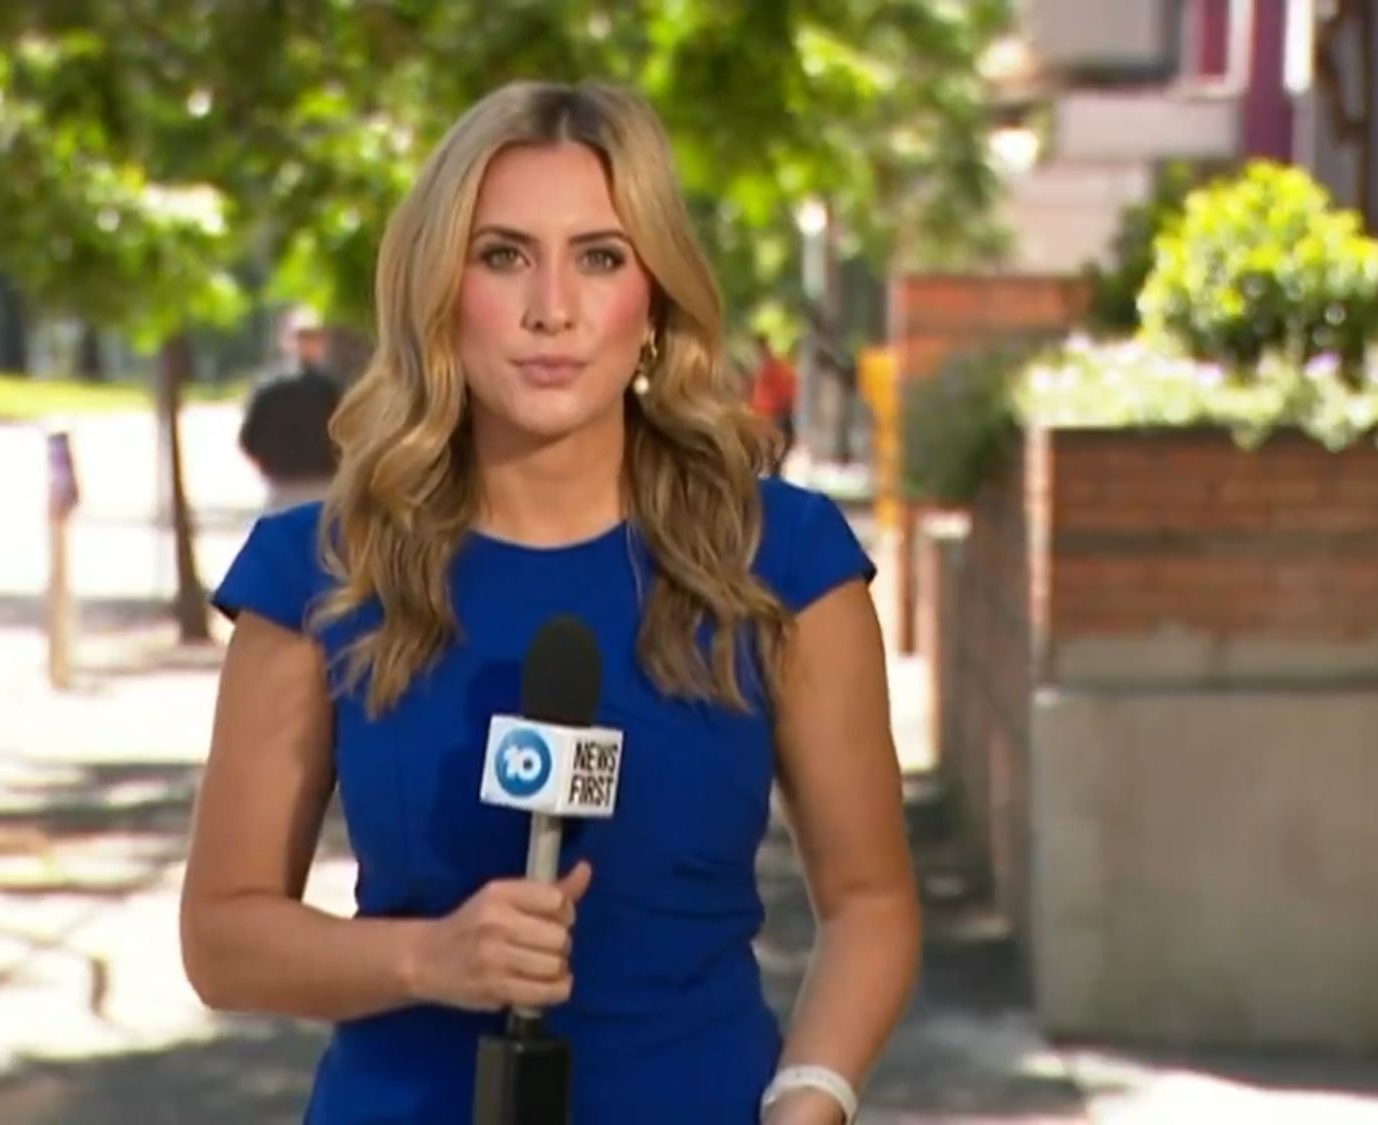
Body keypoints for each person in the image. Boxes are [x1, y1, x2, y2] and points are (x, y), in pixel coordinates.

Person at [180, 79, 919, 1124]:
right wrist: (429, 958)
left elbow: (869, 902)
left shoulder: (781, 560)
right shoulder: (322, 569)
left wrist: (812, 1096)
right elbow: (222, 938)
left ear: (654, 298)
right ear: (441, 289)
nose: (551, 309)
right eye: (504, 255)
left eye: (600, 257)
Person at [238, 320, 345, 510]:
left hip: (284, 483)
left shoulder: (268, 388)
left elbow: (248, 440)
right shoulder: (330, 389)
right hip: (321, 483)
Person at [749, 333, 800, 475]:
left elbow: (786, 391)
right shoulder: (764, 369)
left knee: (775, 454)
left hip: (774, 416)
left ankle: (773, 473)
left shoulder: (774, 368)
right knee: (771, 455)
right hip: (766, 416)